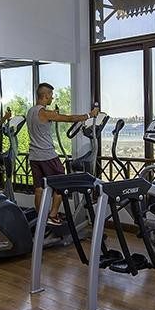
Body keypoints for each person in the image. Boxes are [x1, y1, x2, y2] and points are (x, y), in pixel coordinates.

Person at [25, 83, 99, 225]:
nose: (52, 98)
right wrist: (90, 115)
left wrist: (54, 114)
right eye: (51, 95)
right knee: (61, 184)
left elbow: (44, 118)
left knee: (39, 188)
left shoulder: (31, 111)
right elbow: (69, 119)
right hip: (47, 156)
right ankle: (52, 216)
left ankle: (41, 217)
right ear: (45, 95)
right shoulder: (45, 113)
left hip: (34, 156)